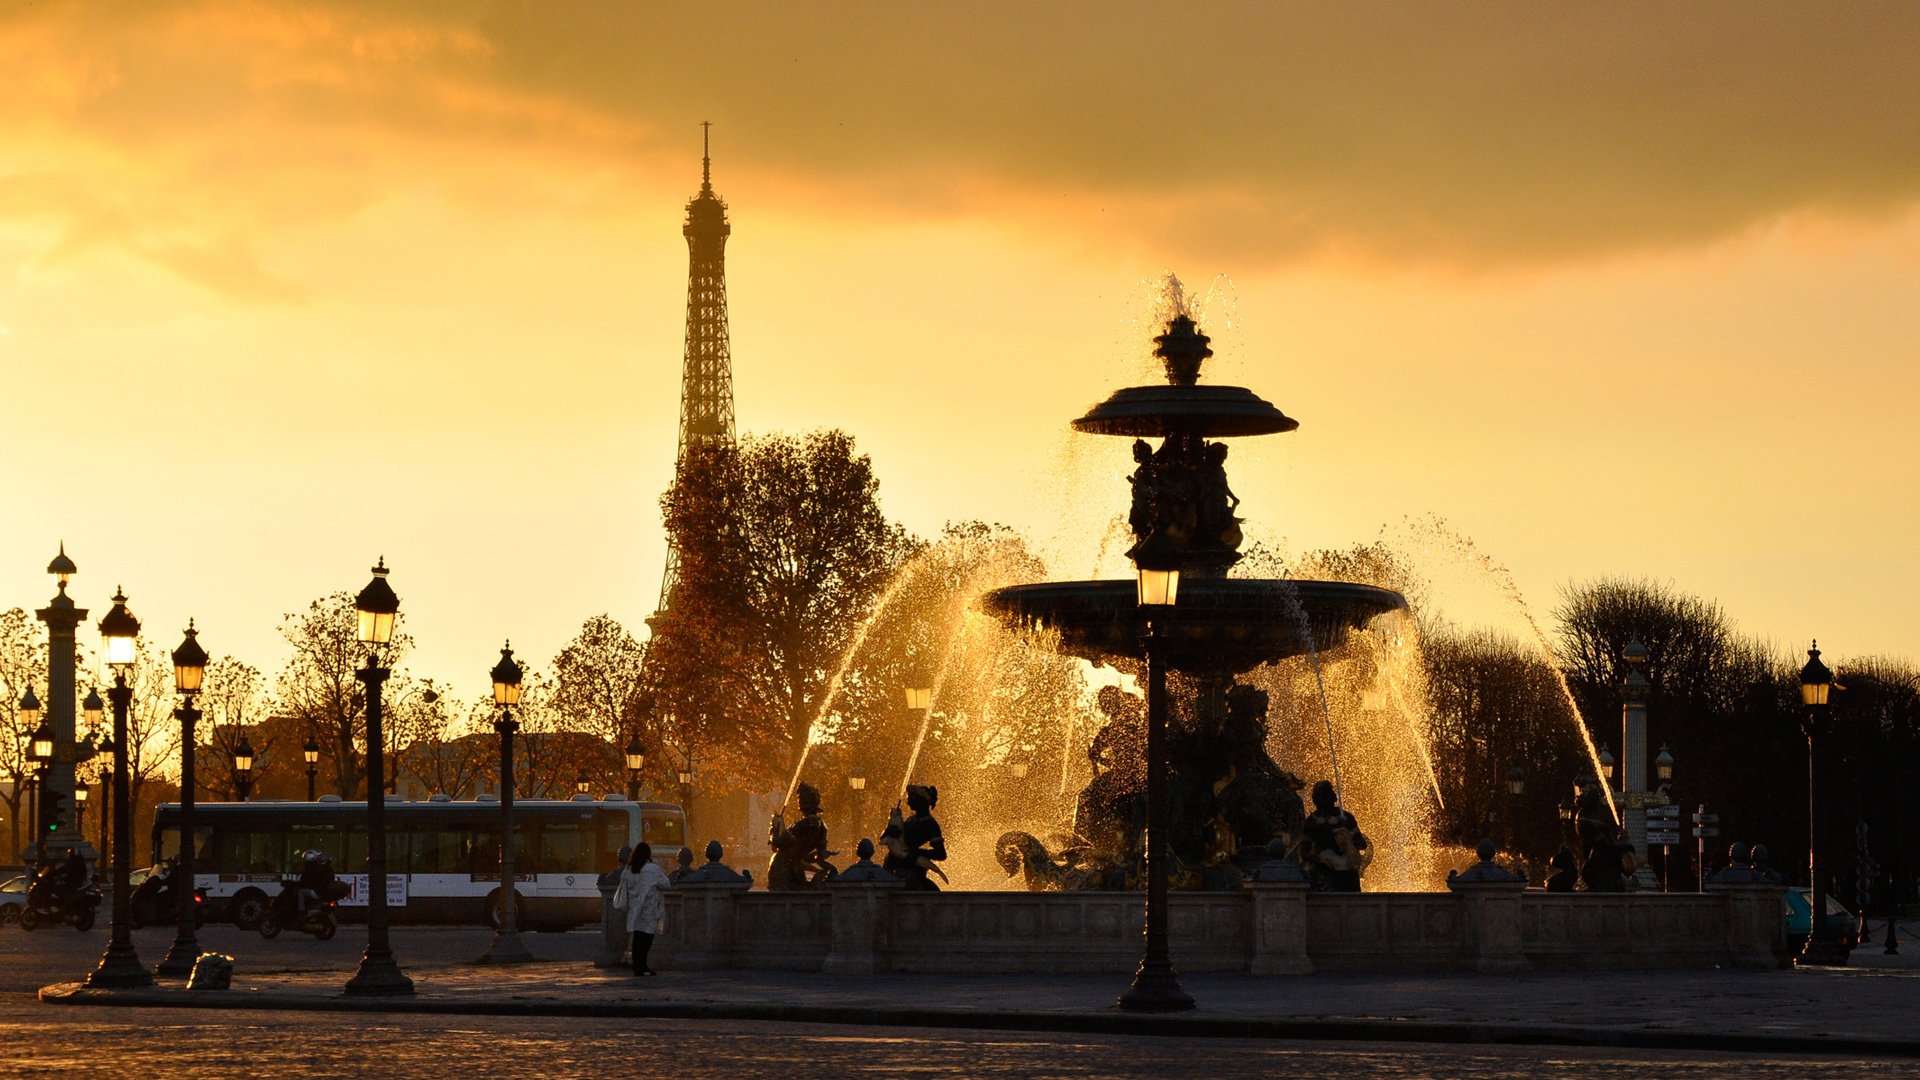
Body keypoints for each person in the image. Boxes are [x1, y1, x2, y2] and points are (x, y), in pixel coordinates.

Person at [613, 842, 670, 976]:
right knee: (647, 938)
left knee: (637, 938)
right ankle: (642, 965)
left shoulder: (629, 869)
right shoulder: (652, 869)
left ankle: (637, 966)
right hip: (649, 909)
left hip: (634, 909)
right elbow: (666, 884)